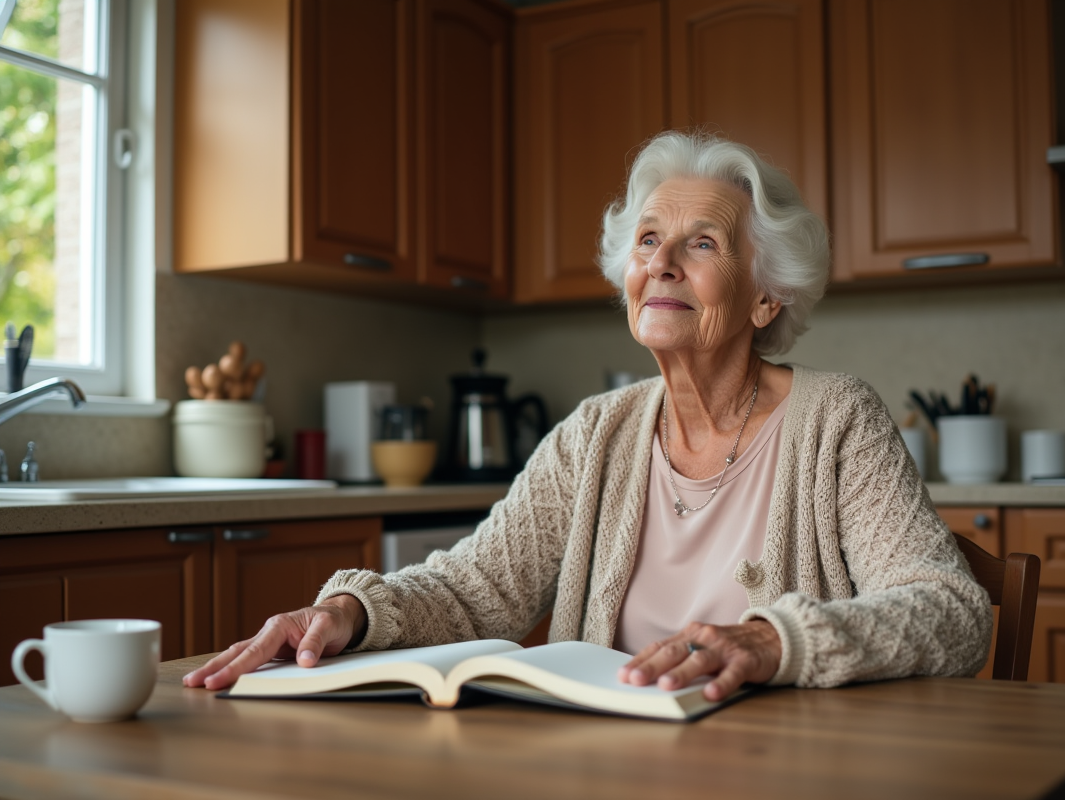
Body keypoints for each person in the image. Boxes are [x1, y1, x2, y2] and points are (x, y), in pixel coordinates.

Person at [185, 132, 992, 700]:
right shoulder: (594, 434)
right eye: (647, 241)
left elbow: (950, 613)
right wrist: (346, 613)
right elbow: (475, 590)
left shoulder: (836, 419)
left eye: (702, 243)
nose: (662, 263)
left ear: (767, 295)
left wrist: (773, 641)